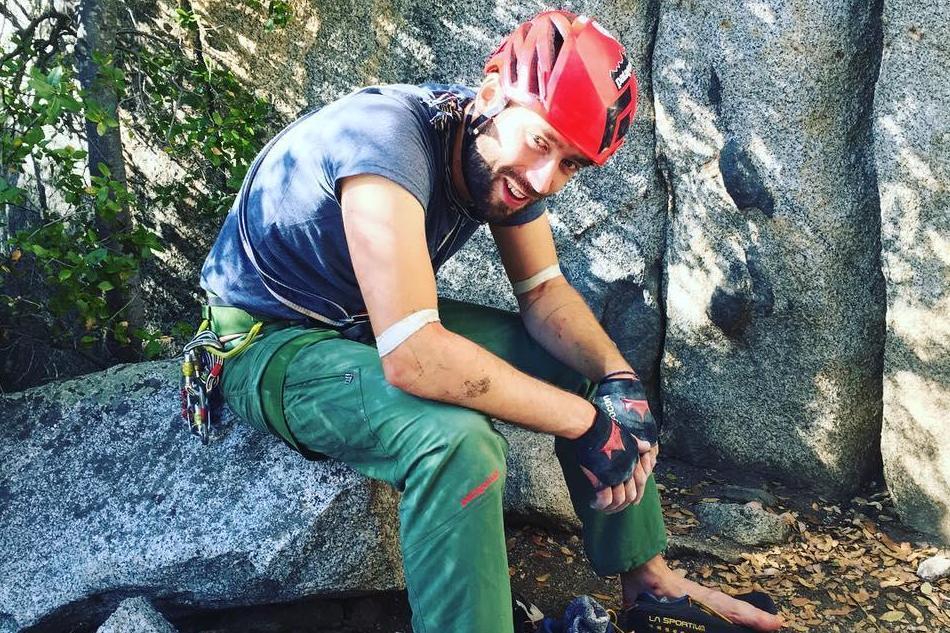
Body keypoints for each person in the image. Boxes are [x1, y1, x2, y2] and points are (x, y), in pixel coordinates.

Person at [198, 9, 784, 633]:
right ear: (490, 96)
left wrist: (617, 384)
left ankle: (649, 579)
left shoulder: (492, 159)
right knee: (457, 444)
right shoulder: (384, 140)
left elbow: (545, 294)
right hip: (271, 341)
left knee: (580, 363)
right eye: (541, 142)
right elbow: (414, 357)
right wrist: (588, 425)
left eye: (570, 164)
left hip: (369, 317)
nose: (544, 179)